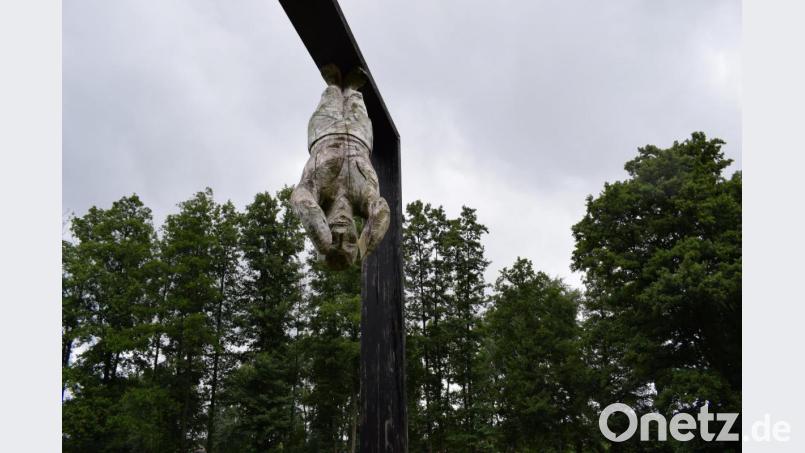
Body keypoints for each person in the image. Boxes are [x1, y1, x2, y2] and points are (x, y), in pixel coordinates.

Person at [291, 64, 390, 270]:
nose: (343, 233)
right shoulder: (362, 201)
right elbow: (381, 210)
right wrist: (366, 245)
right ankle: (352, 89)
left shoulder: (320, 196)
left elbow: (300, 198)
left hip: (324, 133)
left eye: (334, 239)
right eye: (350, 240)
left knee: (331, 97)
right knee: (357, 103)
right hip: (359, 137)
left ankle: (334, 86)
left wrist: (321, 238)